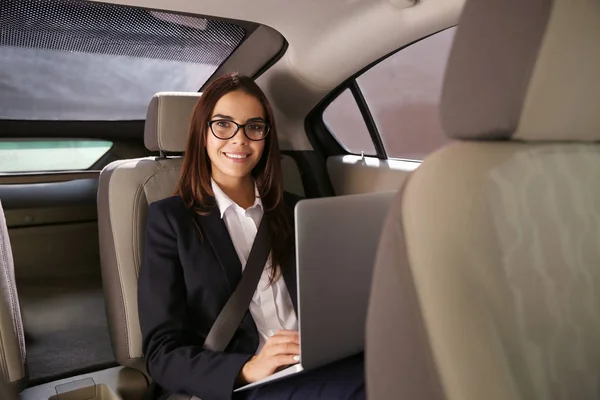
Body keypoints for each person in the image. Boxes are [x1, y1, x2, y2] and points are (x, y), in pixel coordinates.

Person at [138, 73, 365, 400]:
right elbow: (162, 353)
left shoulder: (297, 210)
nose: (239, 139)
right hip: (245, 384)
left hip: (318, 362)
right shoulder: (171, 221)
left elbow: (333, 301)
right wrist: (248, 368)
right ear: (202, 133)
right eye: (223, 125)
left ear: (266, 136)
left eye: (254, 127)